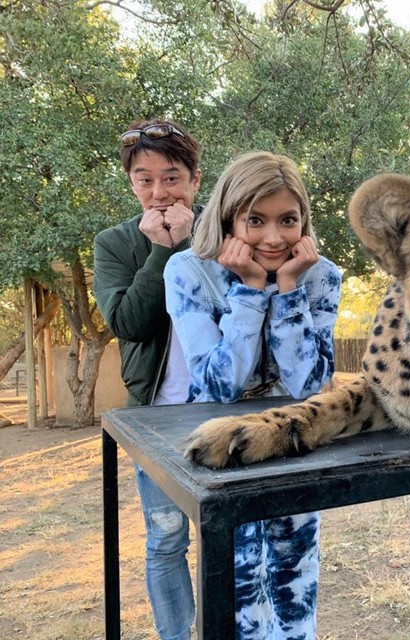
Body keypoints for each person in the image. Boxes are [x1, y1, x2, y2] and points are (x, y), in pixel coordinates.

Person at [164, 150, 341, 639]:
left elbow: (309, 383)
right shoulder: (188, 271)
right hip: (223, 439)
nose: (273, 237)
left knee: (295, 568)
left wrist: (287, 291)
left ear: (304, 220)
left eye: (288, 220)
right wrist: (249, 290)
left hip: (292, 436)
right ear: (228, 217)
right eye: (255, 220)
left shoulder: (321, 275)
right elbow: (219, 387)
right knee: (240, 574)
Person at [93, 119, 202, 640]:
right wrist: (162, 251)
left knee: (239, 534)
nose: (159, 193)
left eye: (172, 178)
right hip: (156, 418)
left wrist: (188, 245)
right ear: (131, 183)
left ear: (195, 181)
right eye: (144, 179)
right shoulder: (114, 244)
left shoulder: (225, 235)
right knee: (164, 538)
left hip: (224, 411)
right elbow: (129, 324)